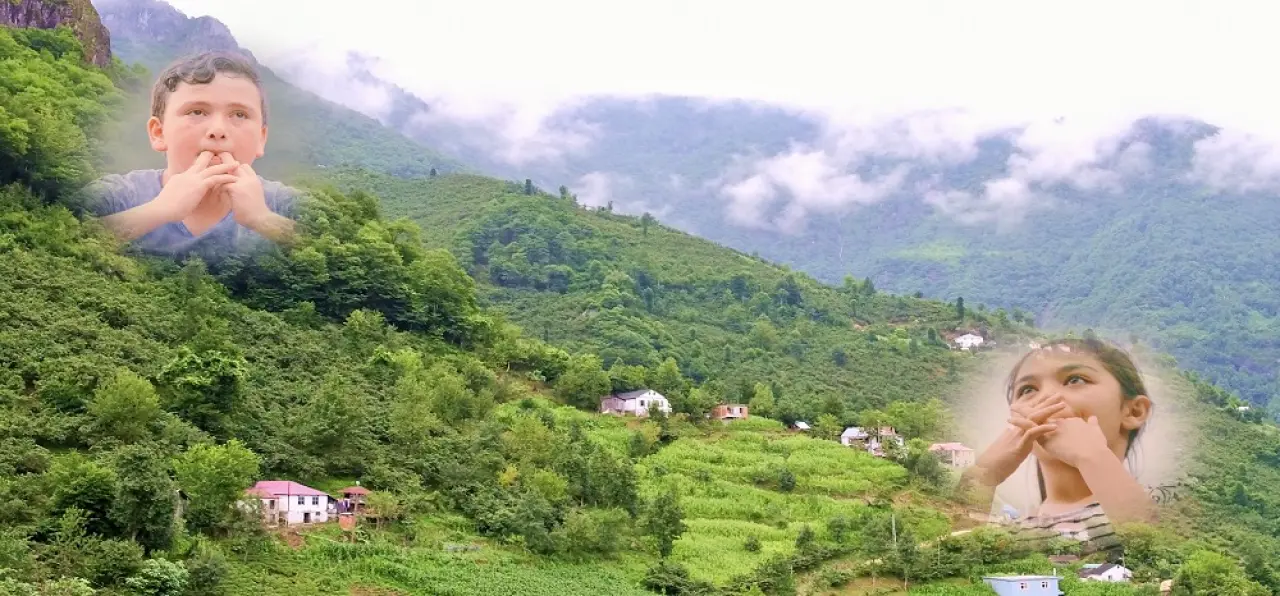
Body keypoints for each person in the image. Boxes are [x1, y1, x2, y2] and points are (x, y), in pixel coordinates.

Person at [83, 51, 299, 260]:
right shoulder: (119, 195)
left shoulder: (283, 203)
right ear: (158, 133)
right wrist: (159, 210)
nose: (218, 130)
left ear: (261, 139)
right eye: (197, 112)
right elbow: (56, 235)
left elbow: (331, 248)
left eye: (239, 114)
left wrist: (262, 219)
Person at [956, 337, 1157, 559]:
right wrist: (983, 475)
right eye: (1028, 389)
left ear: (1134, 411)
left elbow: (1155, 547)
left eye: (1075, 380)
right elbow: (948, 559)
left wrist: (1093, 456)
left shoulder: (1153, 507)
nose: (1046, 396)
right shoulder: (1016, 529)